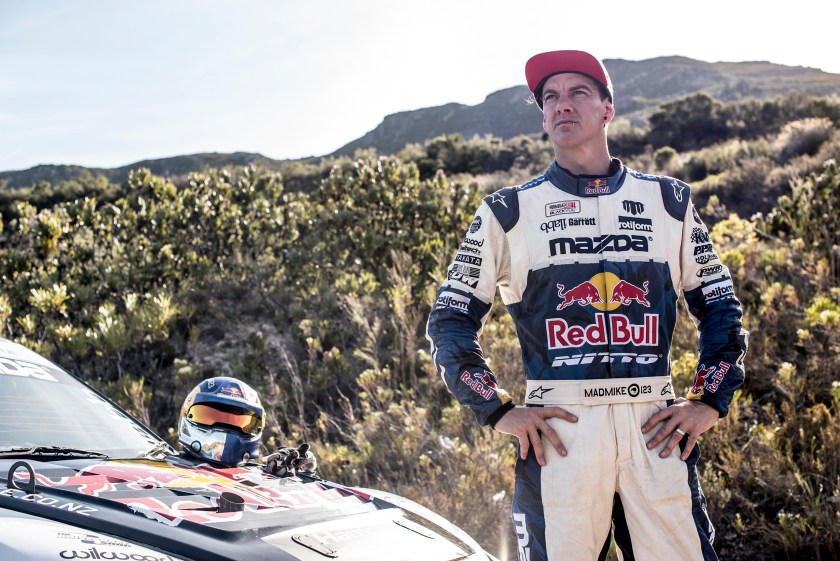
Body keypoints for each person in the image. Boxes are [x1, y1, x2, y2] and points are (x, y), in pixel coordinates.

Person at [426, 49, 748, 561]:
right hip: (562, 434)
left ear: (607, 109)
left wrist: (709, 399)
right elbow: (449, 320)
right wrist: (497, 408)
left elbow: (719, 307)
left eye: (578, 92)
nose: (561, 106)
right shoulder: (508, 212)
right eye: (549, 98)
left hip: (655, 427)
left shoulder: (668, 201)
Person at [178, 376, 317, 476]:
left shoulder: (264, 476)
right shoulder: (157, 470)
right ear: (187, 414)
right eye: (209, 416)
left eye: (240, 422)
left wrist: (286, 473)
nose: (225, 429)